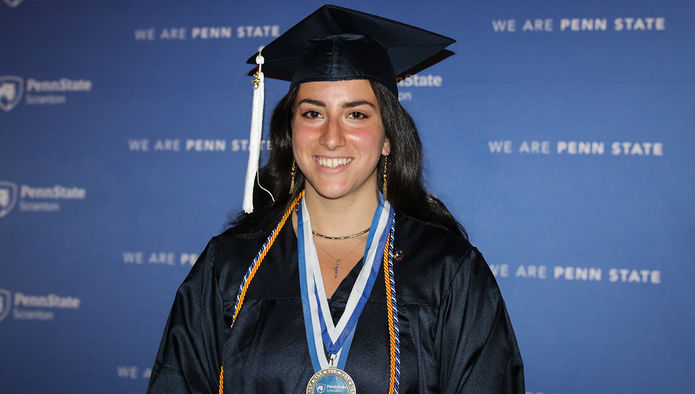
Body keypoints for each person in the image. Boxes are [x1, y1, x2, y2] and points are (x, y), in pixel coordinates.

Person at [148, 5, 524, 393]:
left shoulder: (449, 272)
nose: (331, 137)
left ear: (388, 138)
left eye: (356, 115)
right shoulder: (229, 267)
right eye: (312, 113)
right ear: (289, 132)